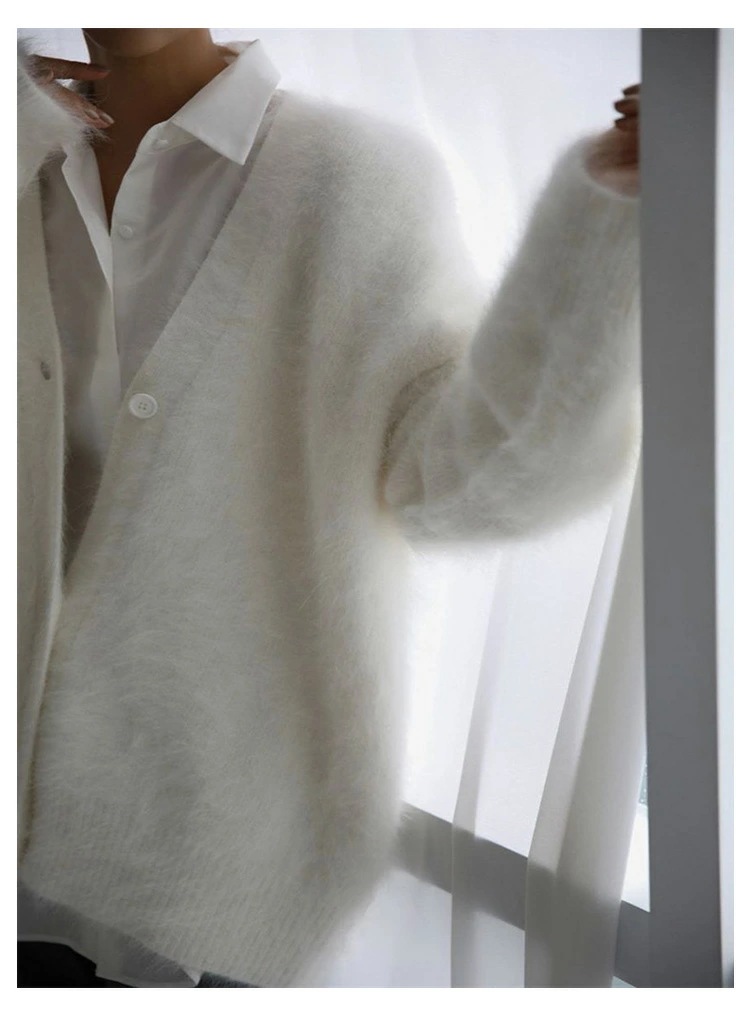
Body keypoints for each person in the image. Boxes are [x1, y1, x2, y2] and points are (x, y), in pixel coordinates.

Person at [17, 28, 641, 988]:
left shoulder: (351, 180)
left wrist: (606, 227)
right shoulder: (24, 159)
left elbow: (456, 483)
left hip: (199, 840)